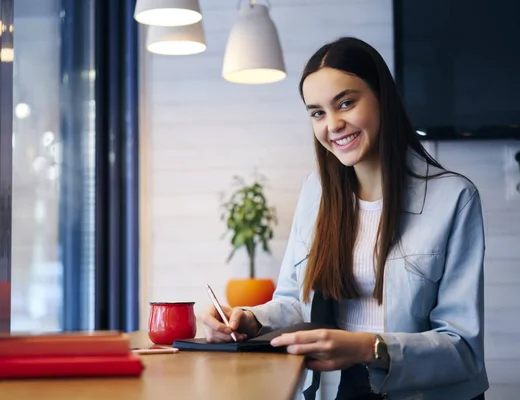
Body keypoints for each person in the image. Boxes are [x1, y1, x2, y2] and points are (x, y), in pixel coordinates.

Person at [202, 37, 488, 400]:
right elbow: (295, 299)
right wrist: (250, 318)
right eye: (318, 113)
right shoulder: (316, 192)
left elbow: (462, 348)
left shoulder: (455, 198)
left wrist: (367, 347)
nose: (333, 125)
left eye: (346, 103)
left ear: (383, 98)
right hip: (344, 387)